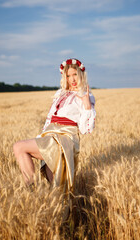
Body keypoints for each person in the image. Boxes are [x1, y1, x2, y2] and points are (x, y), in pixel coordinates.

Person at [13, 58, 96, 192]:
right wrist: (41, 137)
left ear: (81, 75)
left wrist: (87, 106)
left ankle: (31, 192)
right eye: (68, 76)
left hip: (65, 139)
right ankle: (34, 196)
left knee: (19, 147)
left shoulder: (85, 96)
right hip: (51, 135)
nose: (72, 79)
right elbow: (49, 120)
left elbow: (85, 129)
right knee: (56, 188)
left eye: (75, 74)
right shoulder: (60, 94)